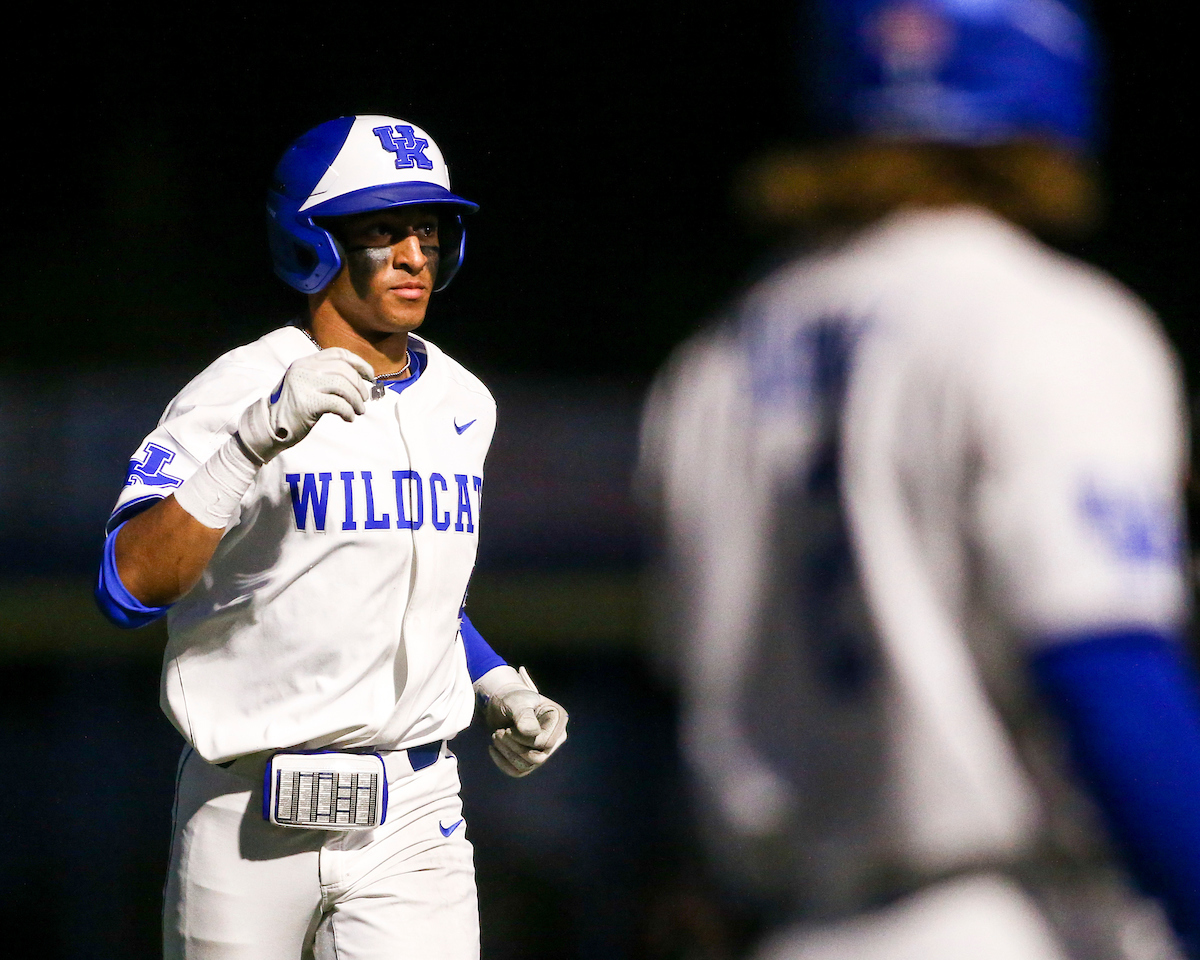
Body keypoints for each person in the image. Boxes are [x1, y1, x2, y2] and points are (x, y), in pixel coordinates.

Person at [638, 2, 1200, 958]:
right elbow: (1103, 671)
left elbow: (682, 696)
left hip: (790, 925)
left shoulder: (713, 366)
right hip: (1008, 920)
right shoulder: (1044, 319)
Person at [94, 114, 568, 960]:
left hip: (415, 807)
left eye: (428, 229)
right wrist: (250, 441)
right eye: (383, 232)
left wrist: (501, 686)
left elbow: (414, 600)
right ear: (311, 240)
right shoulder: (239, 386)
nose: (415, 256)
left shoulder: (465, 400)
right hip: (247, 810)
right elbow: (128, 584)